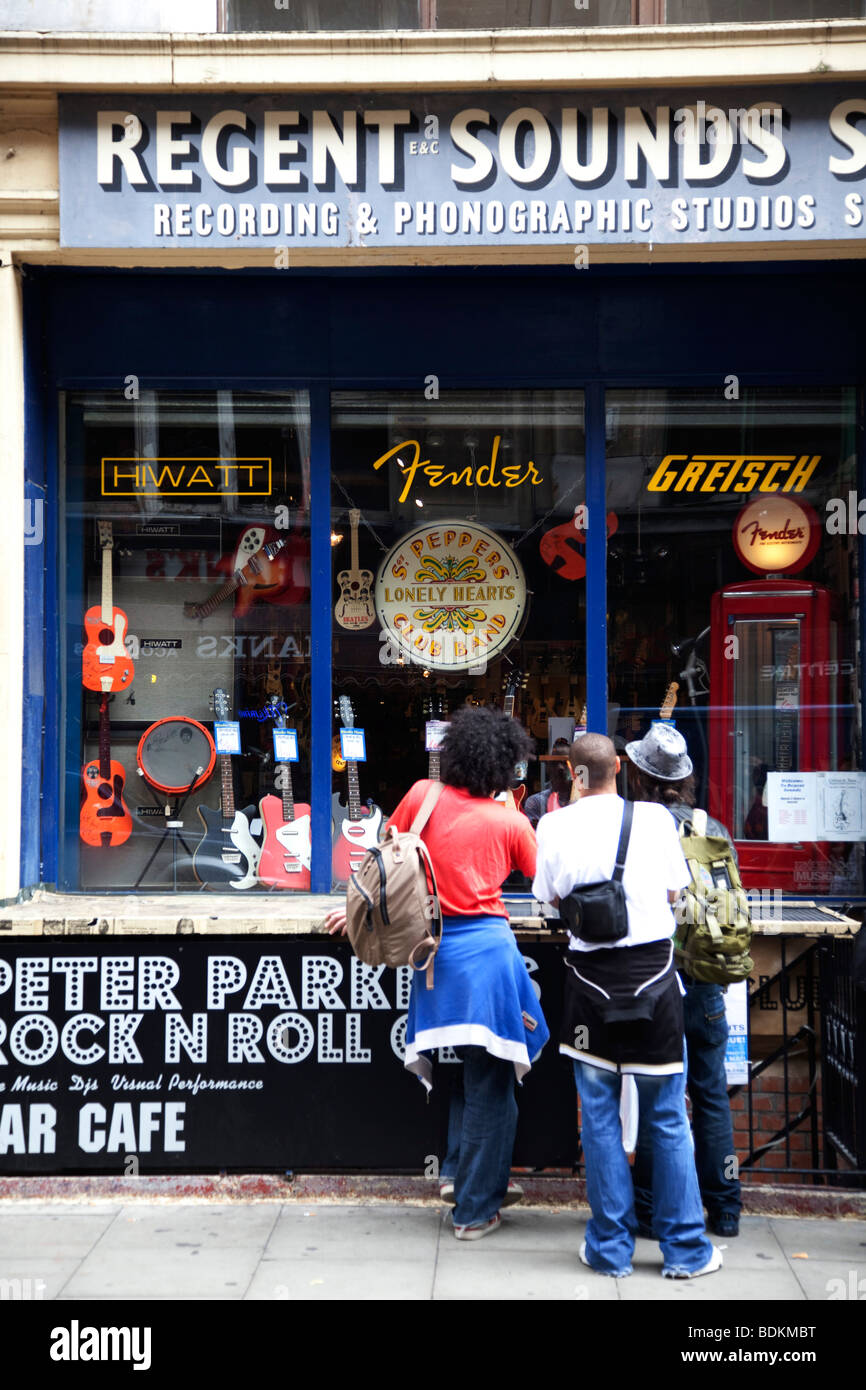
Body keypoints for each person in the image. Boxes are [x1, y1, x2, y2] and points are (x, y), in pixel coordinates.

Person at [326, 704, 549, 1241]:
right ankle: (474, 1209)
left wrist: (353, 908)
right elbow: (545, 885)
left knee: (466, 1073)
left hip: (432, 959)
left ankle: (461, 1176)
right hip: (490, 963)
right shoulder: (512, 822)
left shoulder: (421, 797)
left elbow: (385, 862)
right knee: (493, 1083)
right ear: (504, 768)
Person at [532, 732, 721, 1279]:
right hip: (654, 982)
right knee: (667, 1118)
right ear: (618, 766)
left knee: (598, 1120)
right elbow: (673, 891)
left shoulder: (553, 823)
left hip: (589, 986)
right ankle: (686, 1251)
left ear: (573, 773)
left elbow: (547, 895)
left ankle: (610, 1249)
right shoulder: (657, 821)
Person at [626, 721, 742, 1238]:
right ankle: (726, 1209)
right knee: (711, 1094)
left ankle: (648, 1210)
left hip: (656, 978)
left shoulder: (637, 829)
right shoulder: (711, 828)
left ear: (639, 776)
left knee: (659, 1095)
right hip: (707, 981)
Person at [522, 737, 573, 828]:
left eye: (565, 763)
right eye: (555, 763)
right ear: (548, 767)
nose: (560, 768)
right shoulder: (536, 802)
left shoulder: (584, 802)